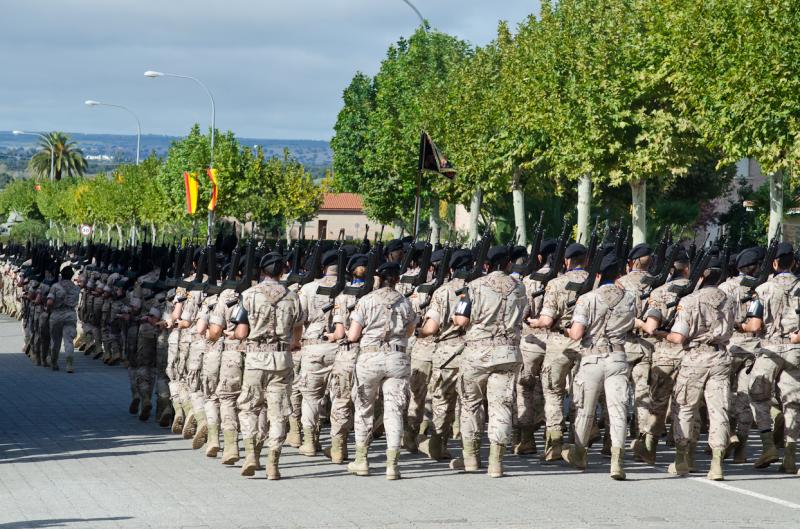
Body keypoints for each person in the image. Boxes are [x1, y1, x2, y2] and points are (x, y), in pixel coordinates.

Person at [452, 246, 526, 478]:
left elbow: (461, 320)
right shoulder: (520, 287)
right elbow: (524, 313)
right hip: (508, 353)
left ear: (485, 265)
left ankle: (471, 458)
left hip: (477, 354)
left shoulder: (472, 288)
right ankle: (496, 462)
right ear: (508, 265)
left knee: (471, 404)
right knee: (501, 406)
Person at [563, 254, 634, 480]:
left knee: (585, 409)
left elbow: (576, 333)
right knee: (618, 410)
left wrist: (566, 329)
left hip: (592, 359)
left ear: (599, 275)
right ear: (619, 275)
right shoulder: (631, 298)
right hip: (618, 357)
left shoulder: (588, 298)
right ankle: (617, 460)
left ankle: (580, 453)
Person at [234, 252, 303, 480]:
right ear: (282, 271)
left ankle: (251, 455)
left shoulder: (249, 295)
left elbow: (241, 332)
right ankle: (273, 463)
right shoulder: (293, 297)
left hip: (255, 360)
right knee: (279, 412)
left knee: (250, 407)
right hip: (282, 360)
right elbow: (297, 333)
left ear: (262, 271)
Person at [345, 261, 417, 479]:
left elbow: (353, 335)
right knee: (394, 410)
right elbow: (411, 330)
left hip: (370, 357)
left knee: (364, 408)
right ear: (396, 280)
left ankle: (361, 460)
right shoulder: (405, 303)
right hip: (397, 357)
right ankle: (392, 464)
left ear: (378, 278)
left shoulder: (366, 300)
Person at [666, 258, 733, 480]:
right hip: (720, 356)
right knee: (718, 409)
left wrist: (662, 334)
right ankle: (716, 464)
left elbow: (678, 336)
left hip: (695, 357)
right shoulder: (728, 299)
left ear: (701, 276)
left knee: (685, 407)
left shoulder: (690, 300)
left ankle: (682, 459)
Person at [741, 242, 800, 474]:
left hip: (770, 350)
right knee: (793, 402)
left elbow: (754, 325)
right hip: (795, 350)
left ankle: (768, 445)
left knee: (757, 396)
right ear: (794, 263)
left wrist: (740, 326)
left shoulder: (763, 289)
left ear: (774, 264)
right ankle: (791, 456)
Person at [528, 243, 589, 461]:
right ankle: (580, 439)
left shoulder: (556, 283)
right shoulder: (596, 282)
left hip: (559, 343)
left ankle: (554, 443)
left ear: (567, 261)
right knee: (581, 395)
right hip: (587, 344)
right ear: (587, 260)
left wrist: (533, 323)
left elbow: (546, 320)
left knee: (553, 393)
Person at [636, 246, 691, 464]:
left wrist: (640, 323)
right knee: (686, 406)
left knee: (658, 404)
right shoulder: (698, 290)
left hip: (666, 355)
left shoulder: (659, 292)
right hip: (691, 355)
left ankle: (650, 448)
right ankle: (686, 455)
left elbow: (650, 328)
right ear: (687, 268)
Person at [417, 249, 474, 461]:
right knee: (470, 403)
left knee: (442, 401)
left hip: (448, 352)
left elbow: (432, 327)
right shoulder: (479, 287)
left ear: (450, 269)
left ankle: (437, 443)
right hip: (473, 351)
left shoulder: (442, 291)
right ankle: (470, 451)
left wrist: (418, 331)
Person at [296, 249, 341, 456]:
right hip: (340, 348)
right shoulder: (349, 289)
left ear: (323, 267)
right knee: (339, 398)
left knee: (310, 397)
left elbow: (300, 320)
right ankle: (338, 445)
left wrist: (296, 342)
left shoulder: (308, 288)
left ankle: (309, 441)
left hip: (313, 346)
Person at [47, 262, 80, 373]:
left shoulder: (55, 286)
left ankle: (54, 362)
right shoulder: (76, 288)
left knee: (55, 341)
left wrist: (48, 310)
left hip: (56, 315)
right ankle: (69, 365)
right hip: (70, 315)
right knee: (68, 341)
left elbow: (50, 302)